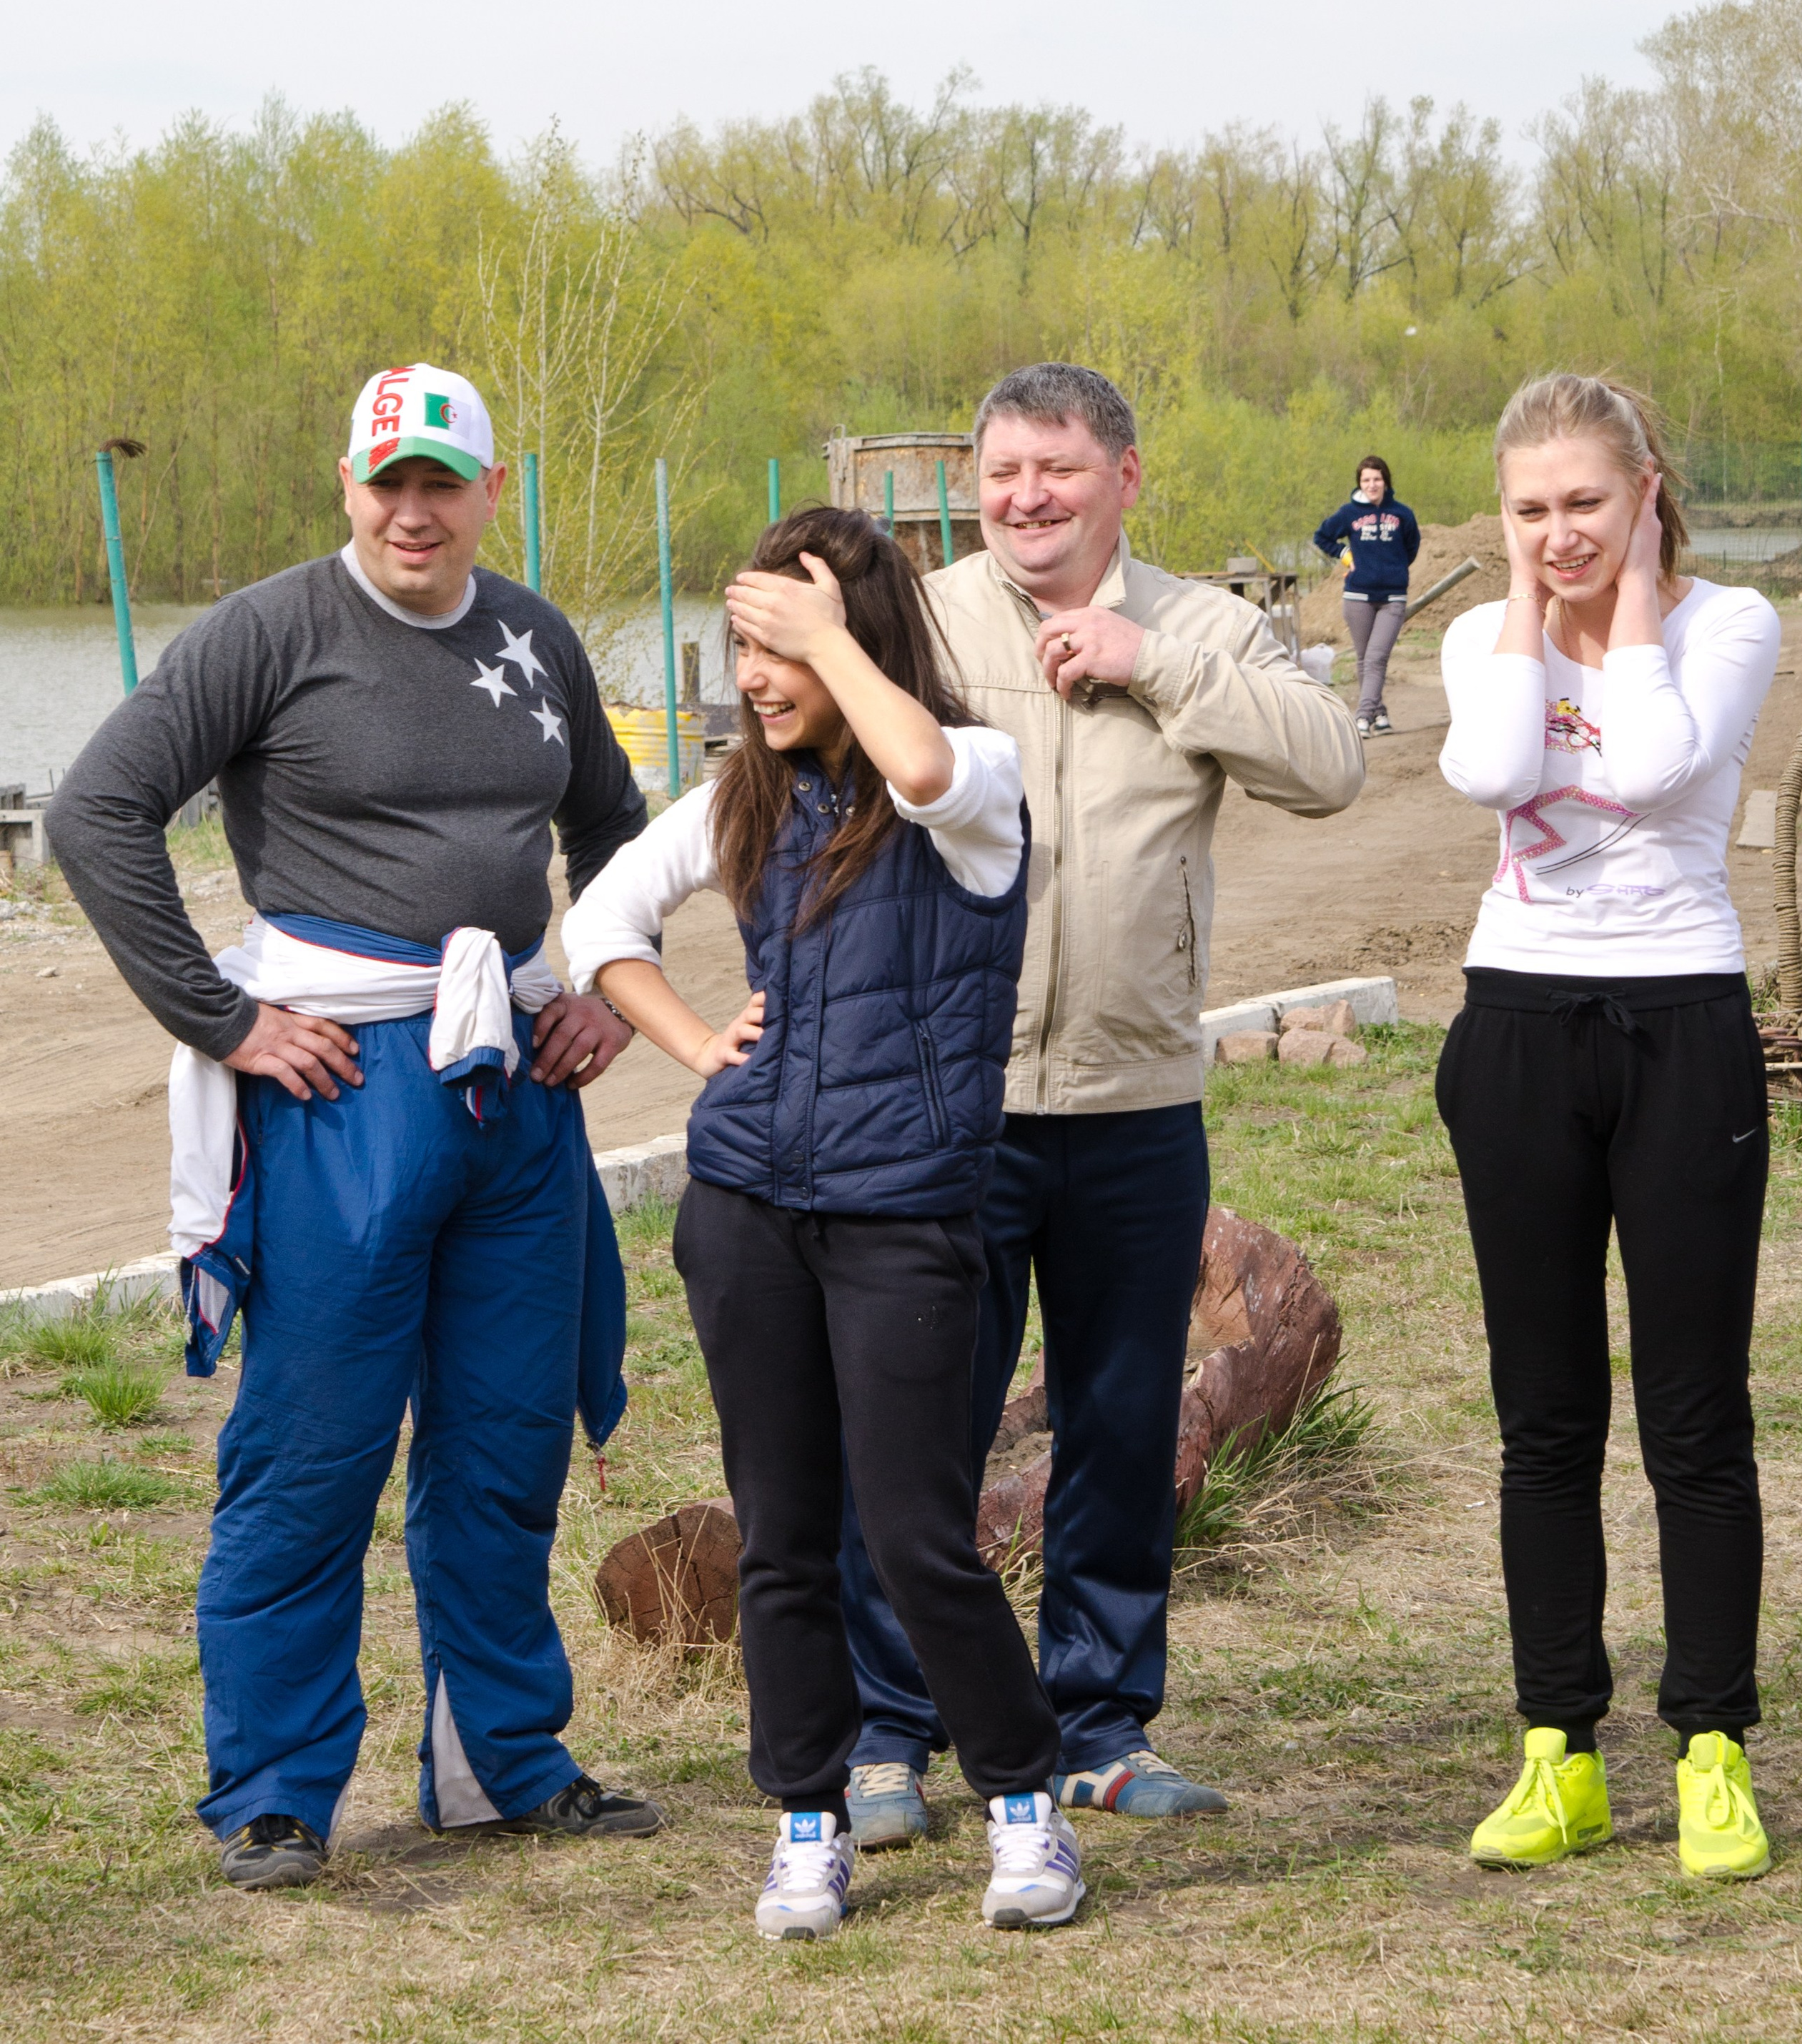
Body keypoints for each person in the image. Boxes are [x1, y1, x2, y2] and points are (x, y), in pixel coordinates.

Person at [45, 363, 660, 1889]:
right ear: (346, 484)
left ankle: (499, 1762)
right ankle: (273, 1785)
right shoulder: (272, 629)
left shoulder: (535, 633)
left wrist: (594, 979)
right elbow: (94, 812)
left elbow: (614, 825)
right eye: (387, 479)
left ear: (487, 492)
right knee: (312, 1451)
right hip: (340, 1088)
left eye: (441, 481)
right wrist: (221, 1015)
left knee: (506, 1442)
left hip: (515, 1087)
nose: (412, 508)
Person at [838, 362, 1365, 1847]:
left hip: (1134, 1100)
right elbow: (793, 757)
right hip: (945, 1105)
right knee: (913, 1424)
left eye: (1057, 468)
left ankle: (1096, 1726)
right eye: (1002, 470)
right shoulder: (920, 619)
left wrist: (1150, 662)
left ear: (1123, 476)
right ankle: (887, 1732)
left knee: (1119, 1420)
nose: (1024, 497)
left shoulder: (1204, 627)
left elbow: (1329, 770)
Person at [563, 505, 1081, 1941]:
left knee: (918, 1535)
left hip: (902, 1213)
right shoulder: (738, 794)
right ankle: (806, 1824)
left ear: (855, 636)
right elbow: (595, 924)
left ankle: (1023, 1805)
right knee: (784, 1538)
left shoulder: (970, 776)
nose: (760, 674)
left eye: (782, 643)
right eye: (744, 647)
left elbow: (906, 758)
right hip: (742, 1212)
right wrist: (690, 1043)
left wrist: (830, 638)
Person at [1436, 373, 1781, 1882]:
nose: (1555, 532)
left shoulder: (1727, 626)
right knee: (1542, 1415)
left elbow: (1645, 769)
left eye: (1584, 501)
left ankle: (1709, 1746)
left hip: (1681, 1030)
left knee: (1692, 1416)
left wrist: (1629, 598)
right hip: (1514, 1025)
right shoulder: (1476, 636)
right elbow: (1495, 771)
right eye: (1528, 509)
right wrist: (1526, 606)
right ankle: (1556, 1751)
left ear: (1645, 490)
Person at [1312, 454, 1420, 738]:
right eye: (1366, 480)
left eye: (1377, 479)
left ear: (1385, 481)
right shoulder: (1349, 513)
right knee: (1364, 659)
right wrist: (1344, 553)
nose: (1372, 485)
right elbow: (1322, 537)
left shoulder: (1402, 514)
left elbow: (1411, 549)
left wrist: (1392, 568)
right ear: (1360, 483)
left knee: (1375, 658)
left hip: (1393, 598)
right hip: (1357, 597)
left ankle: (1361, 717)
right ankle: (1379, 713)